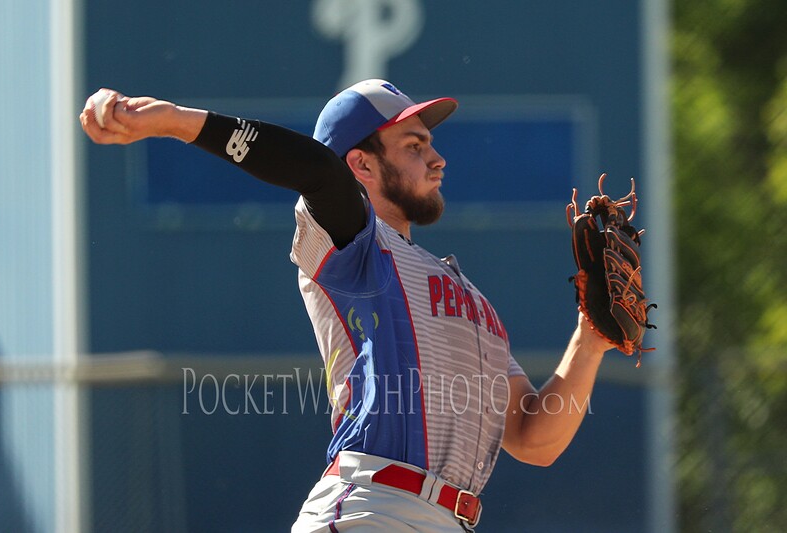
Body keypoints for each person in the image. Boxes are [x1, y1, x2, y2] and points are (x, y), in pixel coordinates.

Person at [80, 79, 613, 532]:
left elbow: (533, 438)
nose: (436, 156)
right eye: (413, 144)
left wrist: (590, 338)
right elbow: (316, 171)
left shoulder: (475, 305)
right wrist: (175, 120)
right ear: (360, 163)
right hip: (370, 508)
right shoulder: (354, 249)